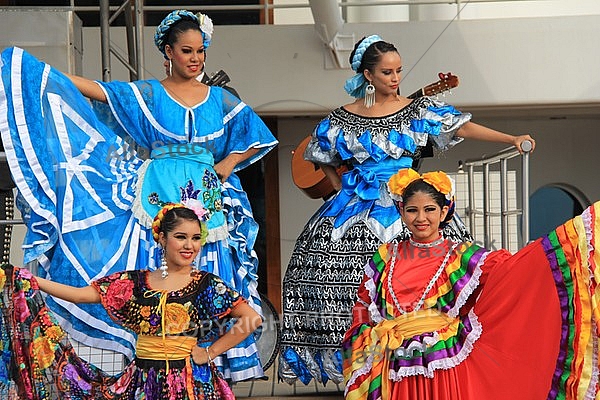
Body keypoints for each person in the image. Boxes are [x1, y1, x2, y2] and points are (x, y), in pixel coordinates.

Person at [0, 9, 277, 381]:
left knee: (210, 268)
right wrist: (49, 76)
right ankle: (150, 358)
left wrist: (228, 162)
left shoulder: (220, 100)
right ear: (168, 52)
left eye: (200, 51)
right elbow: (100, 92)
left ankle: (208, 359)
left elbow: (256, 134)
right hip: (157, 189)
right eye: (186, 50)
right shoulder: (148, 93)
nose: (195, 59)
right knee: (153, 266)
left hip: (207, 193)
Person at [279, 34, 535, 386]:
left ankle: (425, 361)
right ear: (368, 76)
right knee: (322, 277)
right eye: (387, 72)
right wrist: (341, 188)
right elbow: (321, 155)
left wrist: (510, 139)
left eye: (400, 70)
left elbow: (461, 125)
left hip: (408, 204)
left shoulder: (417, 111)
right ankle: (360, 364)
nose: (396, 78)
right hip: (352, 206)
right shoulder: (339, 120)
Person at [342, 169, 600, 399]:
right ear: (401, 212)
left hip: (442, 368)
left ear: (444, 212)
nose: (421, 217)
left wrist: (569, 243)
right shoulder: (385, 256)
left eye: (429, 209)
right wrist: (367, 338)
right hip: (392, 368)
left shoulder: (463, 256)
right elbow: (363, 306)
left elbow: (514, 274)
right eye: (412, 210)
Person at [0, 204, 262, 399]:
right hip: (143, 380)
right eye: (181, 237)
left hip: (192, 382)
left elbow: (251, 319)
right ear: (162, 238)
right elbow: (82, 294)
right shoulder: (136, 282)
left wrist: (209, 352)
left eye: (196, 238)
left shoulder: (206, 283)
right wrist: (29, 280)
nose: (190, 246)